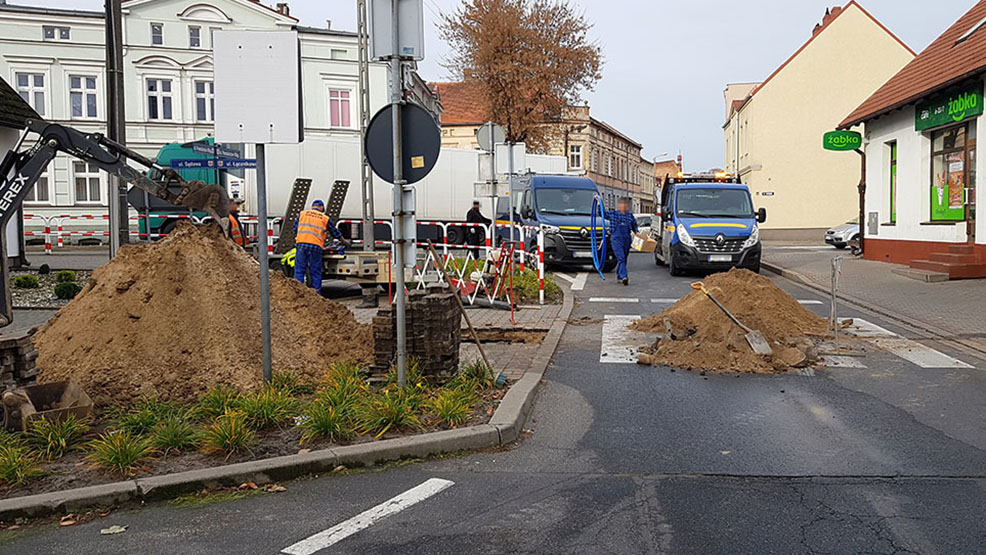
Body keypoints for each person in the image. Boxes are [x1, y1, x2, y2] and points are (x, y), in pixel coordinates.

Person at [294, 199, 346, 293]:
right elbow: (334, 232)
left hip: (301, 244)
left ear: (312, 207)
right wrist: (344, 241)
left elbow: (295, 229)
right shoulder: (324, 218)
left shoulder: (302, 214)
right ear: (321, 208)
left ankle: (298, 293)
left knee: (299, 270)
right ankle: (317, 294)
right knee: (315, 272)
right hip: (316, 246)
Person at [605, 197, 638, 286]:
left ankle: (620, 276)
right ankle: (624, 276)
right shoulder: (613, 214)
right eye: (621, 204)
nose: (623, 206)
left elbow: (634, 225)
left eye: (625, 204)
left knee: (624, 258)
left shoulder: (629, 215)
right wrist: (598, 204)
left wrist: (637, 232)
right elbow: (602, 213)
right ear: (618, 205)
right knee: (621, 257)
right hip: (616, 239)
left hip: (626, 239)